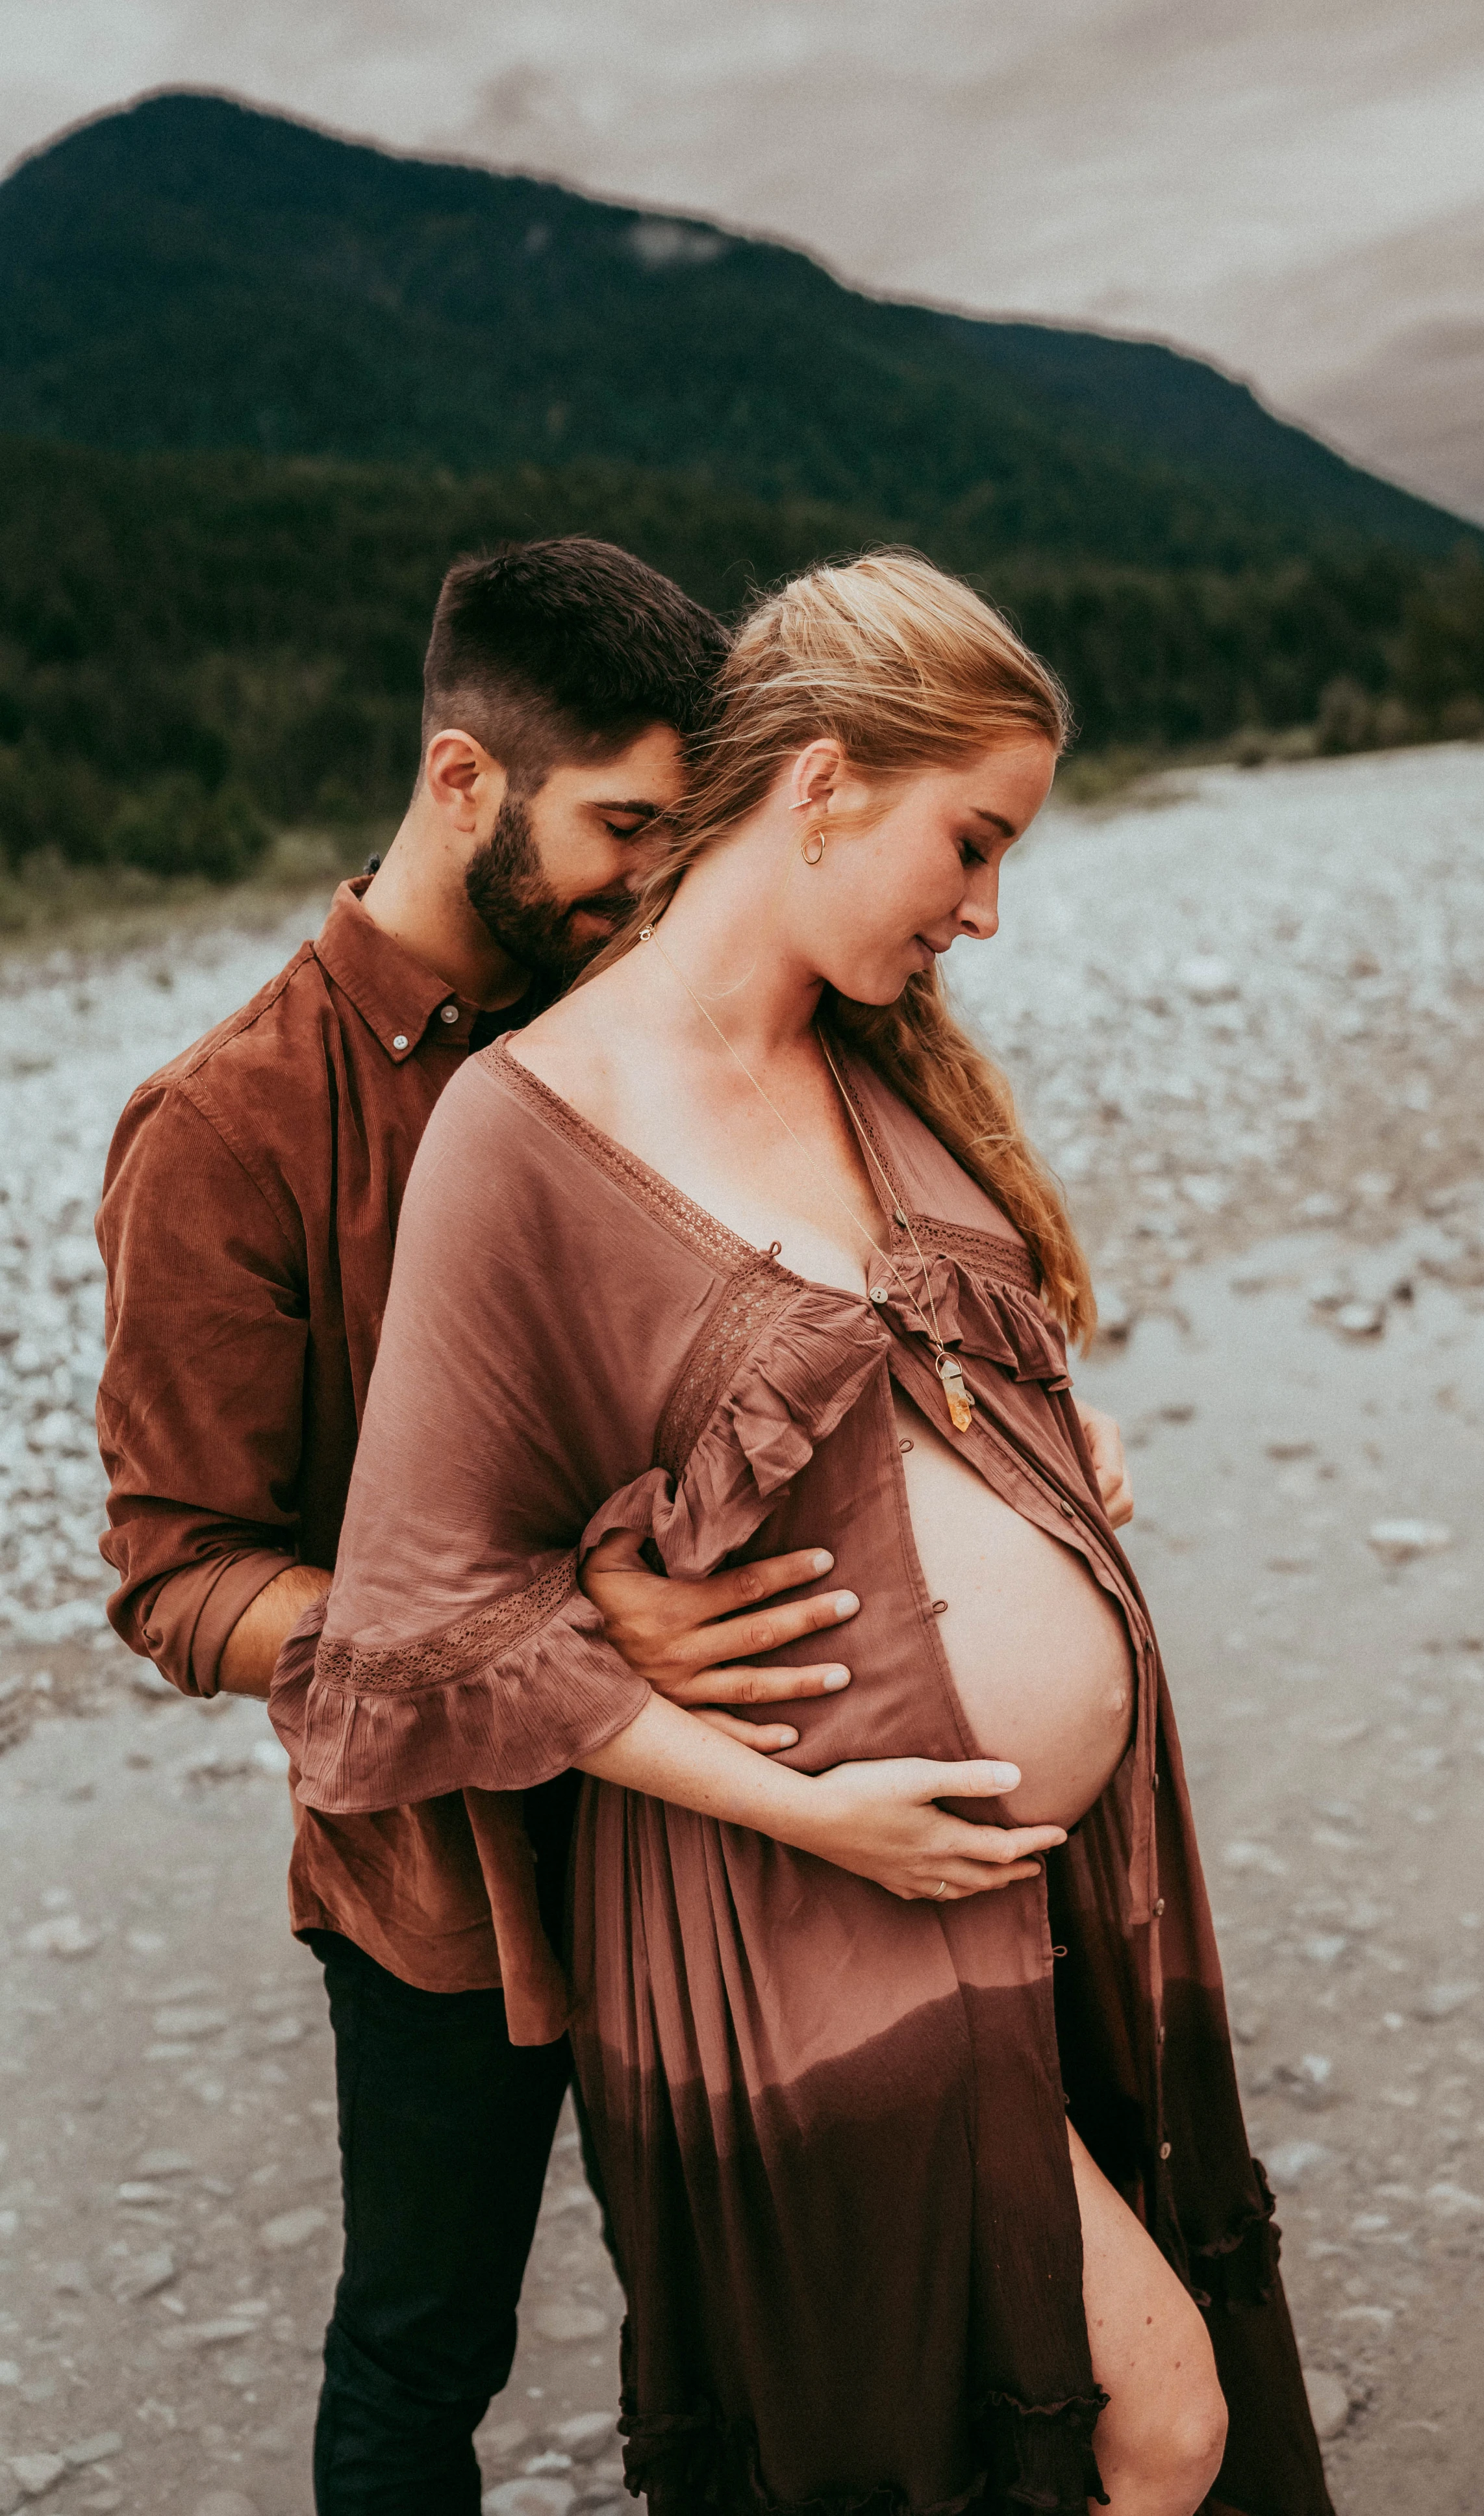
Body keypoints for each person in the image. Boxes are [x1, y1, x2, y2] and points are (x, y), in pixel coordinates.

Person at [275, 552, 1331, 2516]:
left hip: (995, 1888)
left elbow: (880, 1358)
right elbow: (414, 1629)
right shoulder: (524, 1125)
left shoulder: (864, 1064)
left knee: (1065, 2428)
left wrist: (1032, 1444)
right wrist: (816, 1813)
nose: (988, 912)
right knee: (1126, 2420)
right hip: (796, 1909)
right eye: (974, 843)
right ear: (825, 783)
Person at [97, 539, 1111, 2514]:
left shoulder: (672, 1027)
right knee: (422, 2347)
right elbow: (171, 1573)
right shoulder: (223, 1126)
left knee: (752, 2340)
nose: (649, 878)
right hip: (448, 1892)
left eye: (678, 830)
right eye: (621, 826)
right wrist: (565, 1635)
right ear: (464, 784)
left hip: (732, 1837)